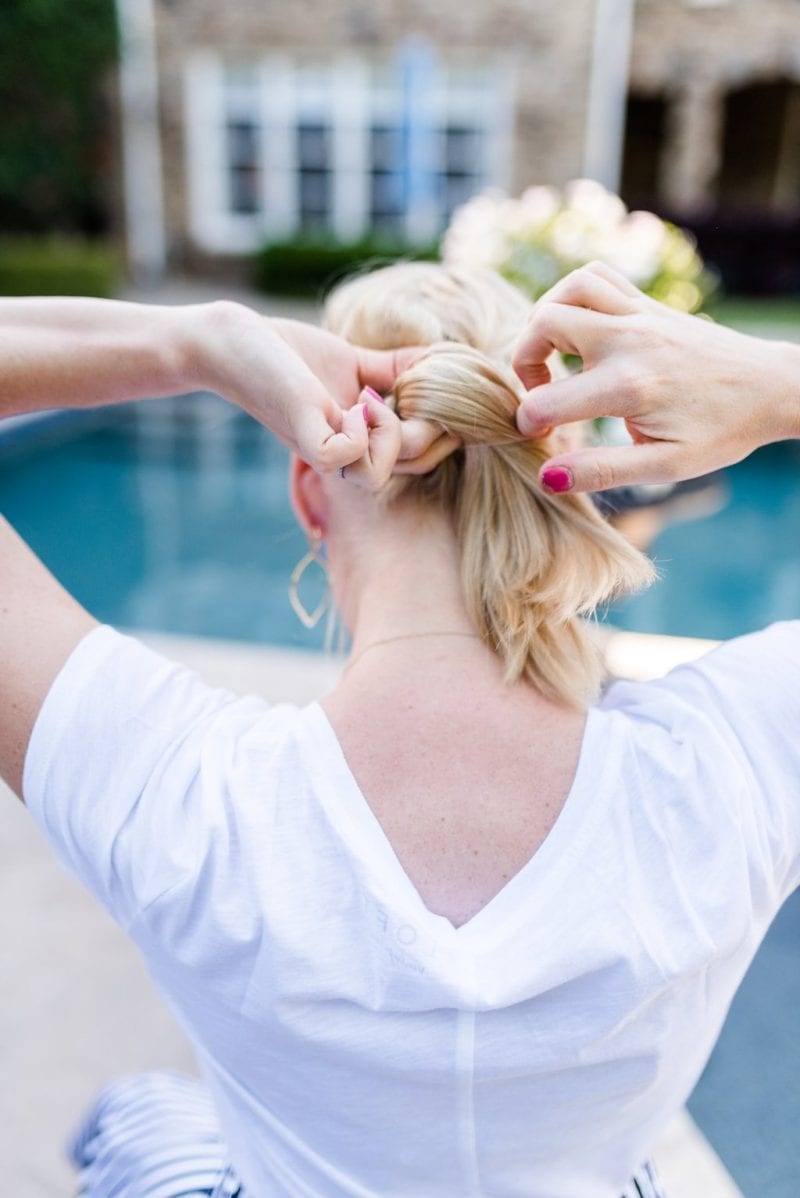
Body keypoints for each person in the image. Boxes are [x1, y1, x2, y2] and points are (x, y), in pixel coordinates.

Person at [0, 260, 798, 1198]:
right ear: (570, 481)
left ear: (309, 494)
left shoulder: (179, 789)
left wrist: (193, 340)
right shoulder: (743, 755)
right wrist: (775, 384)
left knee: (139, 1114)